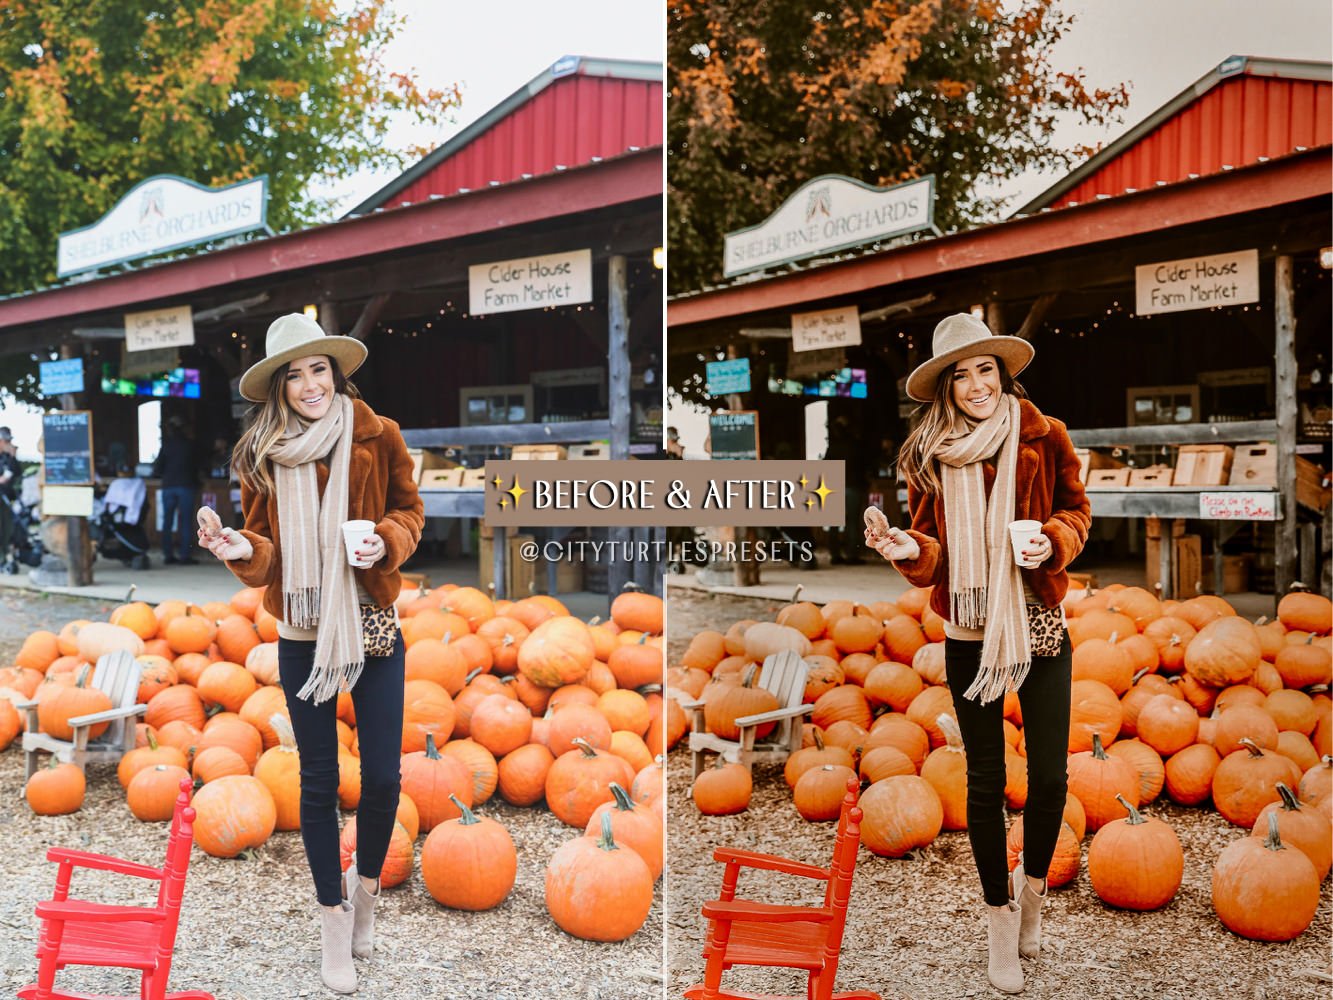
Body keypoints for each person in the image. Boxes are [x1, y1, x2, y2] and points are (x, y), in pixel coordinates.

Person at [198, 314, 423, 995]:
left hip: (372, 625)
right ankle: (331, 923)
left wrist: (384, 541)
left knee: (383, 778)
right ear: (279, 388)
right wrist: (241, 549)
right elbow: (266, 549)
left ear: (335, 370)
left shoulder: (379, 436)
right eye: (293, 375)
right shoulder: (265, 455)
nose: (308, 385)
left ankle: (363, 901)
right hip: (301, 634)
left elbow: (411, 513)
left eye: (316, 369)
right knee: (319, 785)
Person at [867, 313, 1089, 995]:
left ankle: (1030, 902)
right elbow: (930, 547)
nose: (974, 385)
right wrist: (908, 550)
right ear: (946, 388)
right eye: (959, 375)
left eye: (983, 369)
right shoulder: (933, 455)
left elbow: (1077, 512)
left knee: (1049, 781)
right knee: (986, 787)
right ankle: (997, 922)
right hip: (968, 634)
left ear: (1002, 371)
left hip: (1037, 625)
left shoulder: (1044, 436)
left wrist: (1051, 541)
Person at [153, 416, 199, 565]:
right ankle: (185, 556)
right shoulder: (190, 445)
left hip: (168, 485)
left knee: (168, 521)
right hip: (186, 485)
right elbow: (197, 466)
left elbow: (158, 468)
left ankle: (168, 555)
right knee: (185, 521)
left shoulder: (166, 445)